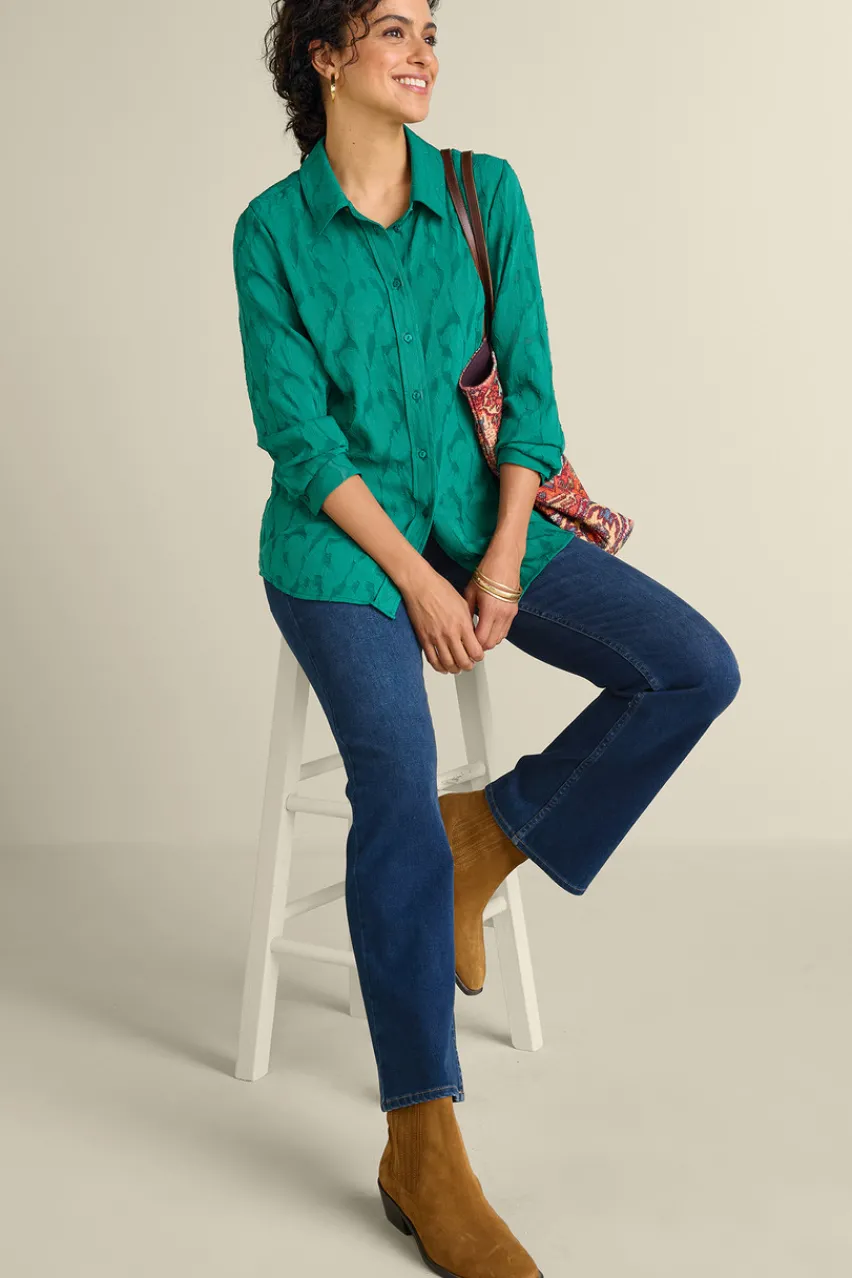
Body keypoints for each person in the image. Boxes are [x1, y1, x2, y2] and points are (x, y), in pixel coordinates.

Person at [231, 2, 741, 1275]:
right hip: (341, 555)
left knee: (692, 668)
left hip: (483, 523)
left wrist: (502, 558)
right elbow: (301, 443)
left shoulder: (482, 191)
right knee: (394, 776)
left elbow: (533, 396)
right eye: (392, 30)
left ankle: (490, 833)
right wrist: (417, 584)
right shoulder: (271, 231)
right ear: (325, 56)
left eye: (431, 31)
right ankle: (422, 1143)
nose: (424, 53)